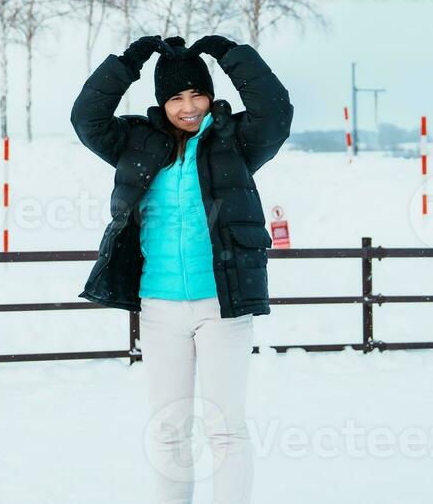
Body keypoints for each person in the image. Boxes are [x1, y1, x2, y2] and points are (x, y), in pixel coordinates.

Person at [70, 34, 294, 504]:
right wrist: (129, 61)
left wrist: (231, 55)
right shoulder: (134, 141)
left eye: (197, 94)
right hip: (159, 307)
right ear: (161, 103)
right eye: (176, 97)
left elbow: (275, 112)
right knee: (170, 426)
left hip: (222, 305)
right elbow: (86, 118)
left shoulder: (236, 141)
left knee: (224, 427)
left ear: (211, 96)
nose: (189, 106)